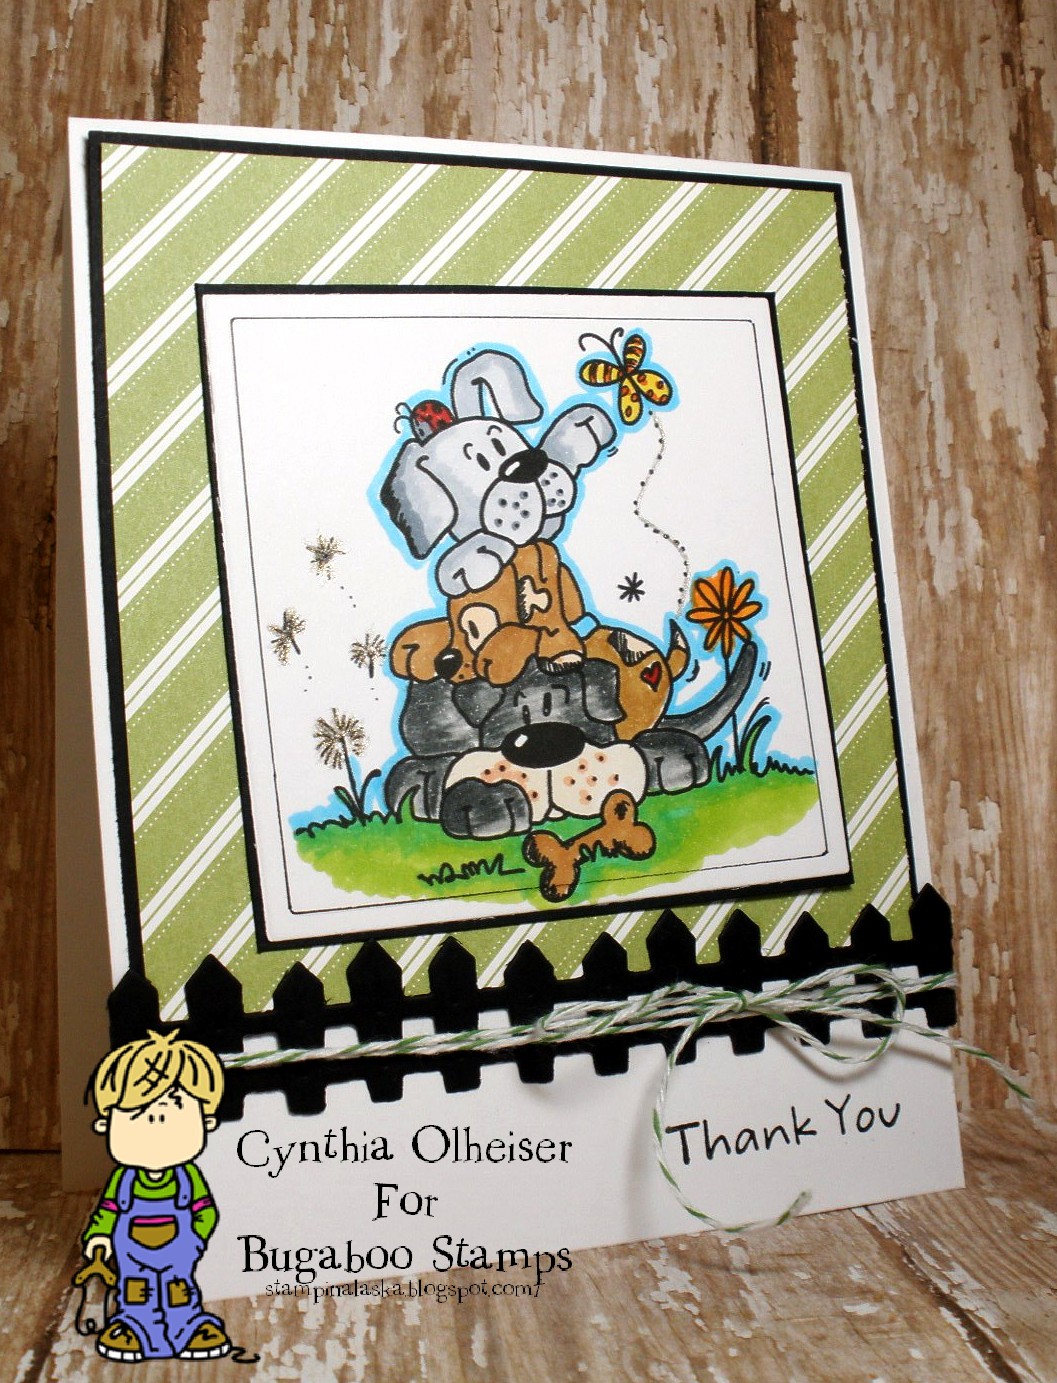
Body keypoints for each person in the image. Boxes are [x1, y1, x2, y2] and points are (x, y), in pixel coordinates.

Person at [79, 1030, 230, 1362]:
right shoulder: (123, 1179)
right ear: (106, 1125)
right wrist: (99, 1237)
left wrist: (196, 1239)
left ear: (206, 1122)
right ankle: (133, 1327)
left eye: (175, 1107)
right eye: (136, 1112)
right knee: (136, 1292)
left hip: (180, 1251)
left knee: (179, 1291)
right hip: (132, 1255)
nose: (156, 1118)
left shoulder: (188, 1177)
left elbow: (206, 1210)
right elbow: (107, 1211)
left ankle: (188, 1328)